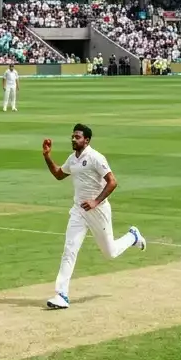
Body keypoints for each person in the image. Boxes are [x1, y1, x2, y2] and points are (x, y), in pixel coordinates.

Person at [41, 124, 146, 309]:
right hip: (78, 211)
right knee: (69, 249)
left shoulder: (95, 157)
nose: (74, 139)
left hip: (98, 211)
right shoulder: (72, 159)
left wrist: (96, 201)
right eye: (73, 136)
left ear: (87, 140)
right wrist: (47, 156)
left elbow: (112, 182)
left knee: (110, 253)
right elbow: (58, 174)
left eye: (78, 137)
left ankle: (133, 237)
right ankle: (61, 294)